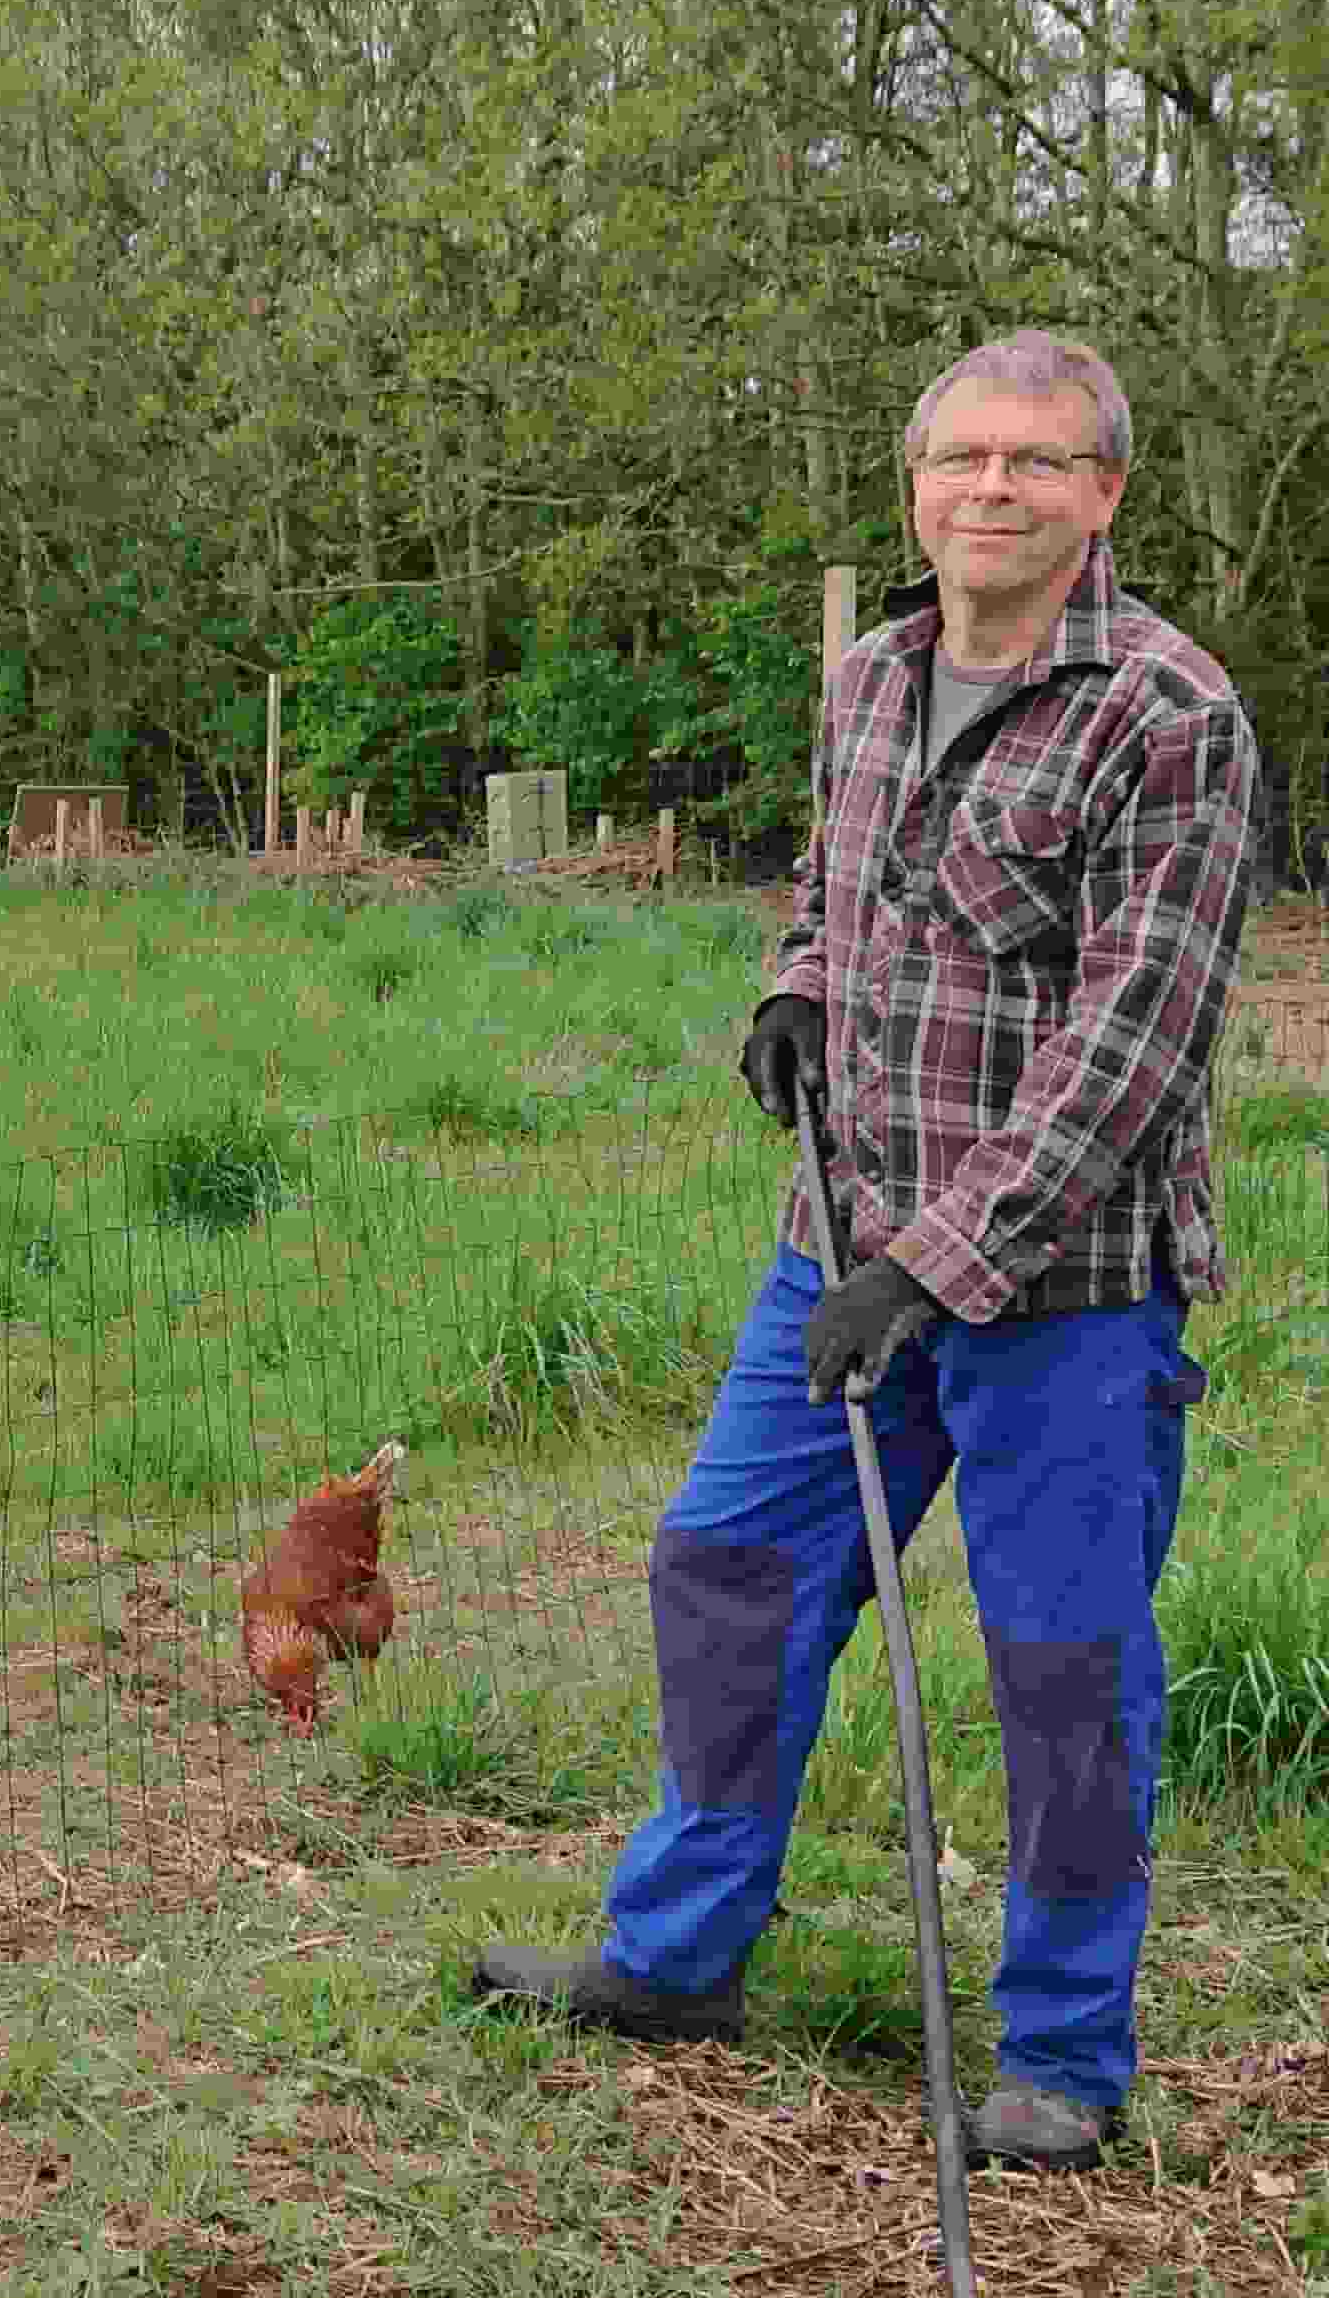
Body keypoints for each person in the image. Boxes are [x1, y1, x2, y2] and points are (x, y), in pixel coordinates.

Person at [473, 329, 1262, 2172]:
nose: (993, 491)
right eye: (963, 460)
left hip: (1059, 1294)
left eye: (1037, 465)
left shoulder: (1171, 716)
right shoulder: (868, 679)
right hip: (835, 1248)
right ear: (916, 488)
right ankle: (679, 1958)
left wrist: (936, 1267)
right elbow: (834, 894)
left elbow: (1132, 1050)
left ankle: (1063, 2056)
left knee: (1066, 1662)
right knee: (729, 1569)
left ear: (1104, 498)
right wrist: (793, 988)